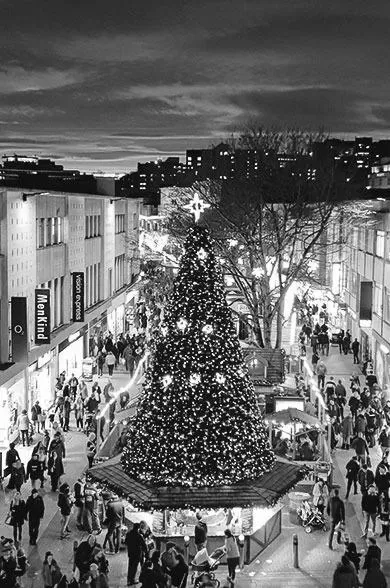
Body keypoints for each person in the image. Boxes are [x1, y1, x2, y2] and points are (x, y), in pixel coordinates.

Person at [125, 522, 147, 586]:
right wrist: (146, 552)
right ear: (138, 528)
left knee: (130, 566)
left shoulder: (129, 534)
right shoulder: (138, 535)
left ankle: (129, 580)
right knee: (134, 567)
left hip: (130, 552)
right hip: (137, 553)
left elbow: (126, 542)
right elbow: (144, 545)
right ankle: (132, 580)